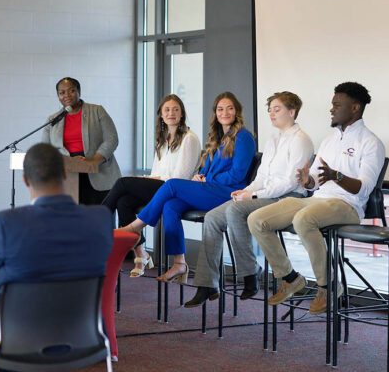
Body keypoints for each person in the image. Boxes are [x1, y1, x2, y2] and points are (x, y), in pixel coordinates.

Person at [0, 143, 114, 371]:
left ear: (26, 180)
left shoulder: (8, 223)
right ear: (65, 173)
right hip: (80, 333)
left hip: (15, 336)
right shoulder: (101, 219)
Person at [248, 82, 385, 315]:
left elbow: (363, 189)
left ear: (355, 107)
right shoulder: (329, 140)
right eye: (332, 105)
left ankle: (328, 286)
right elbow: (314, 180)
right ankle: (290, 278)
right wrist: (307, 180)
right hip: (318, 200)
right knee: (257, 219)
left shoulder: (371, 142)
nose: (331, 109)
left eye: (337, 105)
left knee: (303, 219)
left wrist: (337, 176)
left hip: (347, 205)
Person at [185, 91, 314, 307]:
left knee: (235, 210)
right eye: (270, 109)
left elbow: (291, 183)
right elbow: (262, 176)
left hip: (287, 198)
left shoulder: (301, 140)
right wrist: (247, 191)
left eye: (277, 109)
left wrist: (253, 195)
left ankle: (250, 273)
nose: (272, 114)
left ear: (292, 112)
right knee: (214, 217)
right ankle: (207, 284)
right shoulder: (273, 139)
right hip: (267, 194)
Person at [119, 92, 256, 284]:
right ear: (215, 113)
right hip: (210, 189)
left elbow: (238, 174)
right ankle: (179, 263)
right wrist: (199, 176)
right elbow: (206, 169)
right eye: (220, 109)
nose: (225, 112)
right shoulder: (217, 137)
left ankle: (136, 226)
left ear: (237, 111)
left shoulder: (243, 137)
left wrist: (209, 178)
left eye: (229, 108)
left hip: (228, 193)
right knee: (171, 206)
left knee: (173, 184)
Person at [101, 94, 201, 277]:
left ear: (182, 114)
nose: (171, 113)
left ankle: (98, 226)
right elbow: (157, 172)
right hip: (162, 187)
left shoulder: (189, 138)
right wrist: (148, 178)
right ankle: (141, 253)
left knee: (122, 183)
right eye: (167, 110)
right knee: (124, 201)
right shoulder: (162, 141)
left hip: (177, 191)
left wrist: (151, 179)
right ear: (161, 115)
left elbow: (180, 178)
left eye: (175, 109)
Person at [42, 77, 120, 205]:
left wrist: (93, 162)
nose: (66, 95)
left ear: (79, 91)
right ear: (58, 96)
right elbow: (45, 150)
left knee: (101, 219)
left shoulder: (97, 110)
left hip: (98, 169)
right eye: (62, 93)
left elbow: (112, 139)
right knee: (73, 221)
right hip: (67, 173)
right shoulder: (53, 120)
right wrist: (69, 162)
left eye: (71, 90)